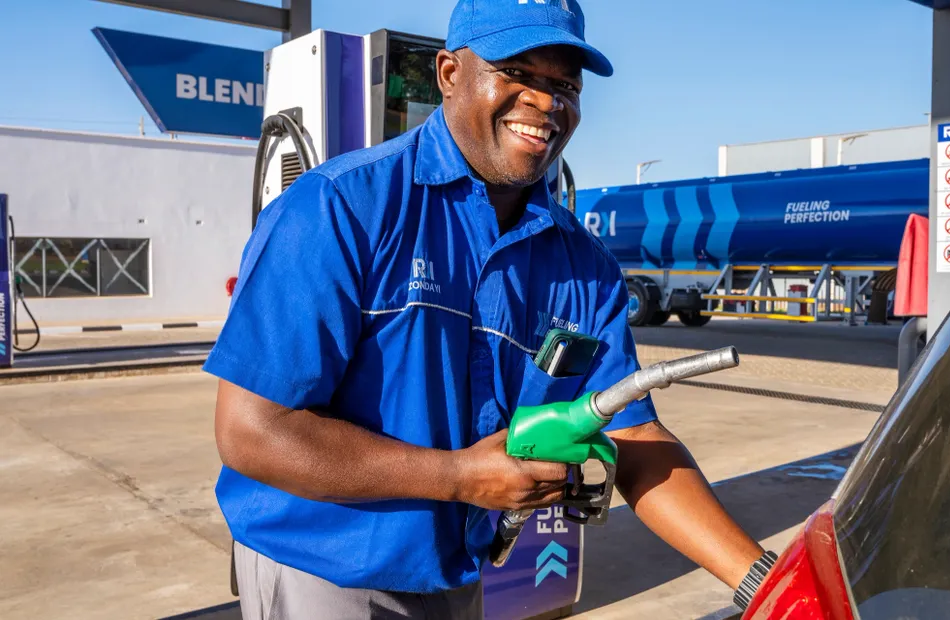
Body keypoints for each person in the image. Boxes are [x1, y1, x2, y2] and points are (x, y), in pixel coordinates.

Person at [205, 0, 776, 617]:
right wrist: (458, 476)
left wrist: (765, 586)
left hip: (457, 575)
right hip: (321, 568)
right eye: (518, 72)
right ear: (449, 74)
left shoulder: (584, 268)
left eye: (564, 85)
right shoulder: (340, 209)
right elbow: (251, 431)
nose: (545, 101)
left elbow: (633, 435)